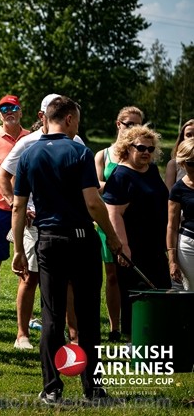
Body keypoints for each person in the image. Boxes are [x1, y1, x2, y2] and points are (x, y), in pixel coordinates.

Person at [11, 96, 122, 404]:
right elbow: (92, 201)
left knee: (52, 316)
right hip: (81, 238)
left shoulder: (29, 154)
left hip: (47, 240)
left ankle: (51, 389)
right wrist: (112, 236)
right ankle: (93, 389)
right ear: (70, 119)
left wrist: (19, 249)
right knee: (87, 318)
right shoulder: (79, 151)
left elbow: (18, 206)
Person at [0, 93, 83, 349]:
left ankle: (74, 335)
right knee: (29, 276)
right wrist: (18, 206)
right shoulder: (29, 142)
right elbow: (3, 176)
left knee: (68, 280)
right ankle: (21, 334)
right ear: (41, 115)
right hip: (33, 222)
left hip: (65, 221)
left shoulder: (75, 140)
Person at [103, 124, 170, 337]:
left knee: (160, 290)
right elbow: (114, 213)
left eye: (150, 149)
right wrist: (123, 246)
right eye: (141, 148)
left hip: (155, 246)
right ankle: (134, 339)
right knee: (135, 295)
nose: (146, 153)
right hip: (133, 247)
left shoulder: (151, 171)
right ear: (128, 148)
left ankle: (157, 339)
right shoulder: (120, 175)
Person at [93, 106, 144, 342]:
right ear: (118, 124)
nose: (133, 129)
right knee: (112, 276)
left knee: (134, 275)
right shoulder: (103, 155)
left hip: (135, 223)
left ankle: (134, 325)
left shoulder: (141, 153)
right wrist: (119, 185)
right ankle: (114, 327)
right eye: (129, 124)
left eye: (138, 124)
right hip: (108, 221)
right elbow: (95, 187)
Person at [0, 95, 29, 332]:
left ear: (21, 111)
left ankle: (29, 315)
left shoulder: (31, 137)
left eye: (13, 108)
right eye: (4, 109)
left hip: (28, 210)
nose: (9, 112)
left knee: (29, 263)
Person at [168, 138, 194, 290]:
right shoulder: (178, 189)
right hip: (189, 244)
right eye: (192, 163)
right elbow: (171, 226)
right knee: (191, 291)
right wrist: (172, 261)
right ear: (182, 163)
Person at [165, 119, 194, 189]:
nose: (193, 138)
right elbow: (168, 195)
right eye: (189, 135)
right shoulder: (174, 164)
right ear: (182, 138)